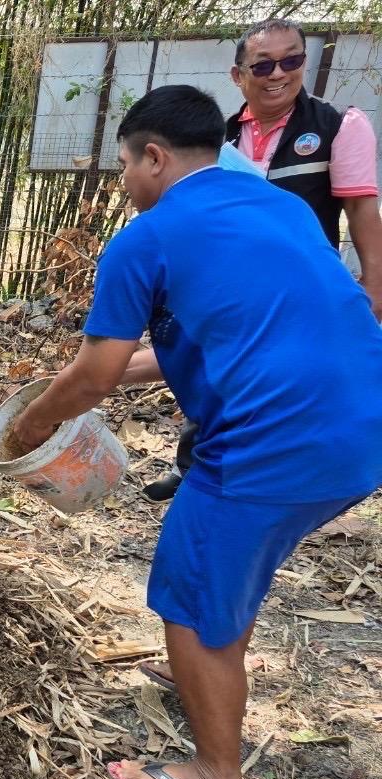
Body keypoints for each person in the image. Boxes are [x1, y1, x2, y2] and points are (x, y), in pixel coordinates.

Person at [11, 85, 382, 779]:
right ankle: (213, 661)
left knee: (185, 587)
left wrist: (29, 424)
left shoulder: (143, 239)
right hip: (363, 427)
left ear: (154, 157)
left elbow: (95, 376)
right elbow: (245, 327)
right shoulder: (279, 207)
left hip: (271, 442)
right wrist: (94, 378)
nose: (121, 183)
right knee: (225, 569)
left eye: (122, 165)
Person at [144, 17, 382, 502]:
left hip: (302, 286)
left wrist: (374, 284)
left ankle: (287, 480)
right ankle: (197, 466)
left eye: (291, 60)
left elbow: (361, 208)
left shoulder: (338, 126)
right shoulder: (220, 138)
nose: (279, 74)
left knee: (287, 377)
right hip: (229, 283)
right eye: (264, 64)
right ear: (238, 75)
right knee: (215, 369)